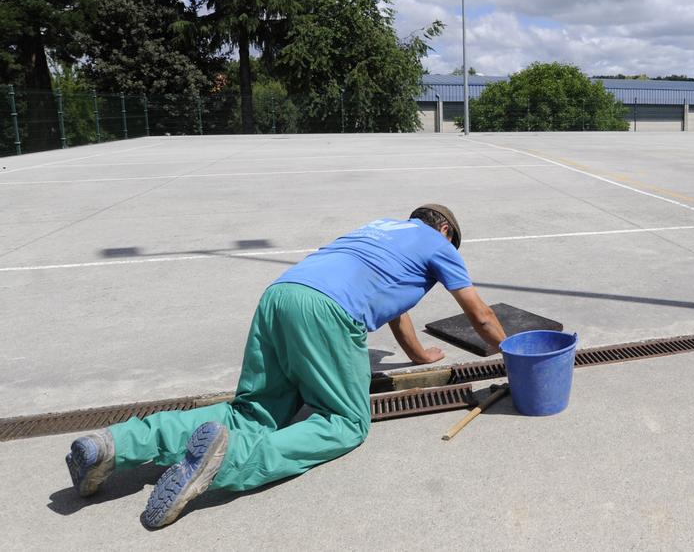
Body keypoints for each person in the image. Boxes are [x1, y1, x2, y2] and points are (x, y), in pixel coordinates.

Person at [64, 204, 505, 528]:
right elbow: (480, 315)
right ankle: (227, 463)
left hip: (280, 295)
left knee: (252, 411)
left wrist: (420, 356)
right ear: (445, 230)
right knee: (345, 422)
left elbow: (395, 310)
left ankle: (115, 444)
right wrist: (515, 352)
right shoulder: (438, 243)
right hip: (327, 312)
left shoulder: (377, 230)